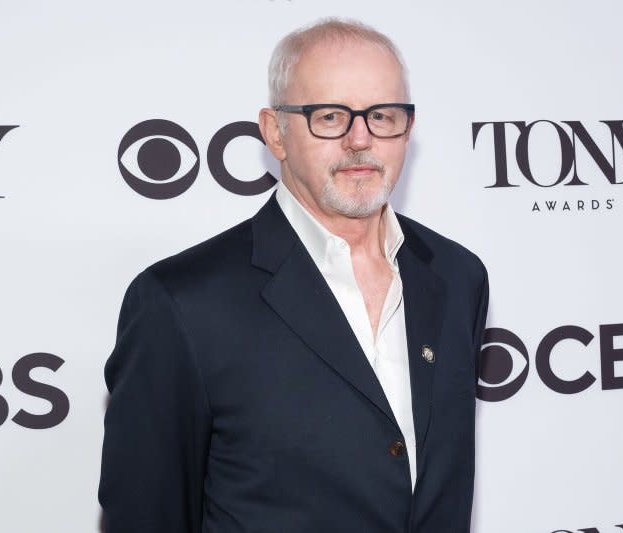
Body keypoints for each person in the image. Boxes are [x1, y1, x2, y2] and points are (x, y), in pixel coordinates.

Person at [99, 18, 488, 533]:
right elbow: (145, 517)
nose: (359, 138)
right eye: (329, 116)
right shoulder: (182, 303)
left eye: (383, 115)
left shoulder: (458, 276)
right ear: (274, 133)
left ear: (407, 130)